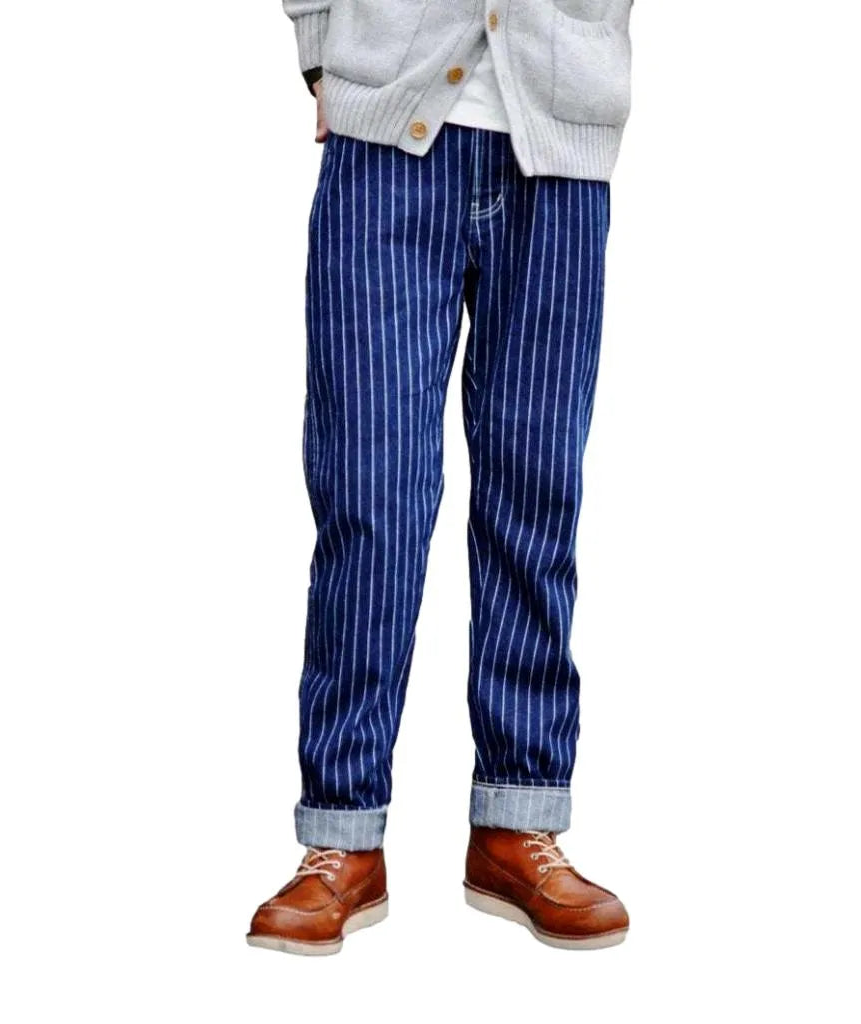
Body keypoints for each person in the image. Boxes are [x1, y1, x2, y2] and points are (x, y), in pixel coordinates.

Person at [247, 0, 635, 954]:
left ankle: (517, 821)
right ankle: (342, 835)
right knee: (370, 496)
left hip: (560, 131)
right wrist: (318, 49)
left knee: (534, 494)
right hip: (383, 134)